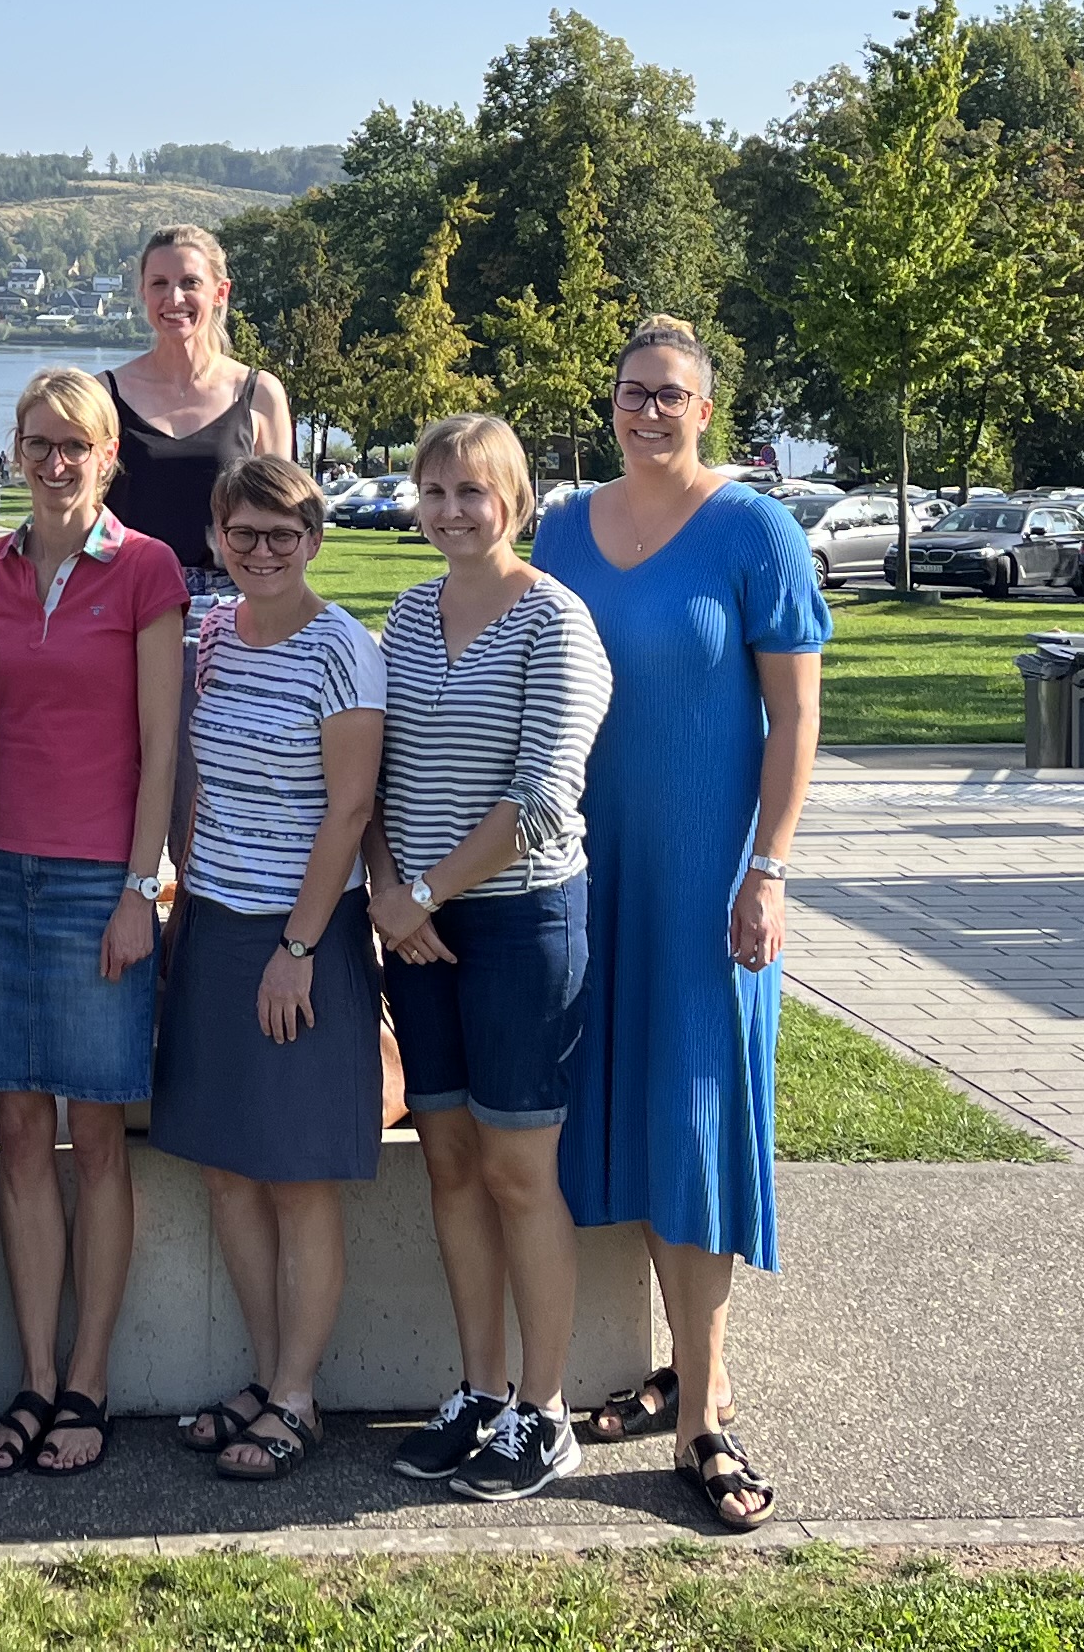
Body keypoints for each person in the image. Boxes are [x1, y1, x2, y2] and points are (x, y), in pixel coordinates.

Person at [536, 316, 826, 1533]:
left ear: (707, 408)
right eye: (630, 393)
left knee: (695, 1120)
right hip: (584, 873)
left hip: (707, 877)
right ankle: (670, 1371)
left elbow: (798, 717)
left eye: (670, 394)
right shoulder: (560, 528)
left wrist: (766, 869)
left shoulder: (755, 528)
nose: (647, 411)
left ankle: (704, 1413)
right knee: (620, 1114)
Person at [366, 412, 615, 1504]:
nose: (454, 510)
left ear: (515, 501)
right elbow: (365, 772)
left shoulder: (558, 623)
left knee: (519, 1174)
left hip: (517, 924)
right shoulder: (406, 619)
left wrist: (422, 893)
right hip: (419, 931)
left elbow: (538, 801)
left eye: (475, 491)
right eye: (435, 491)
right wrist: (389, 897)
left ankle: (545, 1409)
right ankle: (478, 1390)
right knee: (451, 1163)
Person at [0, 368, 183, 1480]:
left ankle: (90, 1380)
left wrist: (143, 887)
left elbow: (159, 746)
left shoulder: (145, 570)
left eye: (72, 447)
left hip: (99, 883)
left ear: (106, 457)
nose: (51, 463)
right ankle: (34, 1379)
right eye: (34, 444)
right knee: (22, 1133)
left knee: (96, 1140)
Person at [148, 453, 385, 1486]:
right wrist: (178, 902)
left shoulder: (344, 651)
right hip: (210, 922)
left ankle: (296, 1394)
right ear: (216, 536)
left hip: (304, 937)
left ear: (314, 541)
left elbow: (349, 809)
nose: (261, 552)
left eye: (282, 535)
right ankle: (262, 1371)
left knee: (296, 1178)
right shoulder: (209, 637)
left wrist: (296, 949)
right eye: (241, 534)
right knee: (229, 1168)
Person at [103, 227, 292, 605]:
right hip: (126, 598)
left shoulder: (260, 394)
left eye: (190, 282)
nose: (174, 298)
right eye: (159, 283)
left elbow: (282, 521)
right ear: (143, 292)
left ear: (220, 292)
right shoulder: (104, 395)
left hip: (233, 604)